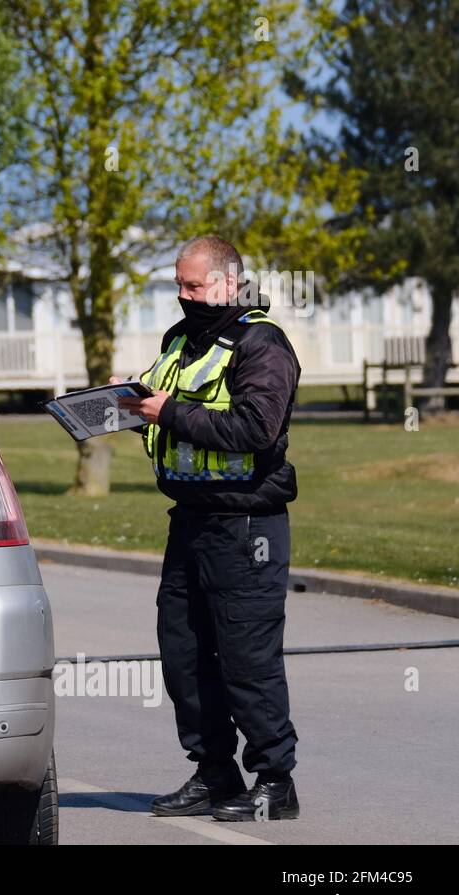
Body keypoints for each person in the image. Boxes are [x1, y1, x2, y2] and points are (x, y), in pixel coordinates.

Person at [115, 235, 302, 821]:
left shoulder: (262, 344)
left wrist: (170, 412)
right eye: (179, 284)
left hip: (247, 525)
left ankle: (275, 781)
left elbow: (255, 429)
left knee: (248, 658)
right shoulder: (180, 340)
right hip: (190, 520)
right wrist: (128, 406)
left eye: (193, 286)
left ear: (228, 282)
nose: (184, 295)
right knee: (184, 653)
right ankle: (215, 773)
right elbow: (164, 409)